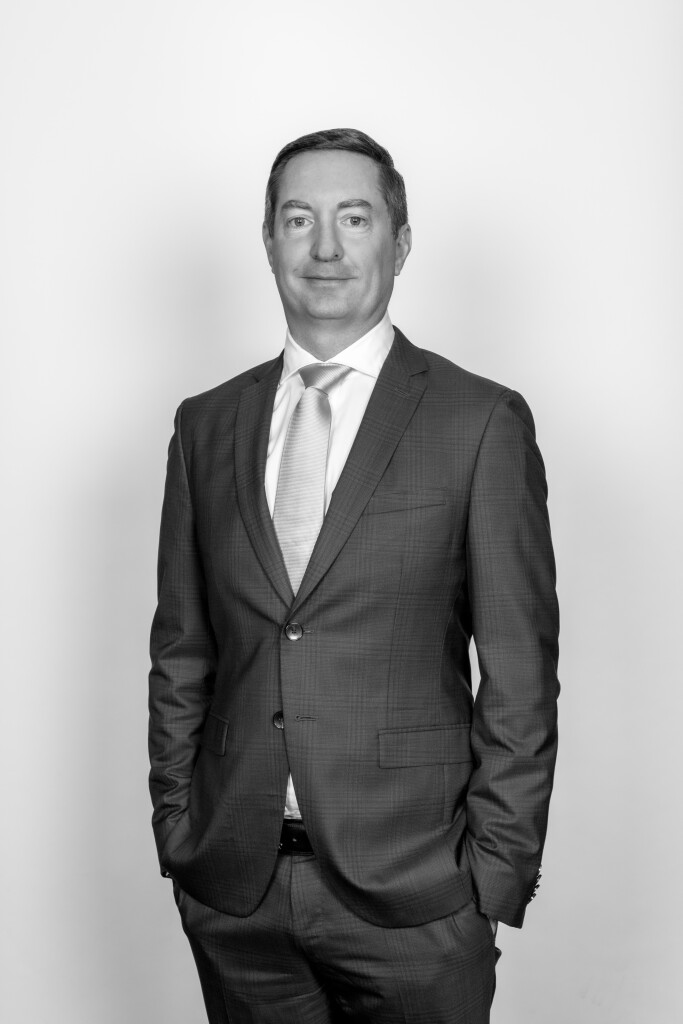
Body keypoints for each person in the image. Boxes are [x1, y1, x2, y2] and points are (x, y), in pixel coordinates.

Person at [148, 128, 560, 1024]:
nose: (325, 247)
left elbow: (519, 676)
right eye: (299, 219)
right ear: (269, 242)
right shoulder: (204, 426)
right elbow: (183, 651)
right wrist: (180, 833)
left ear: (399, 244)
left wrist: (490, 879)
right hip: (236, 891)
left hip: (419, 897)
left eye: (355, 219)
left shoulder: (478, 421)